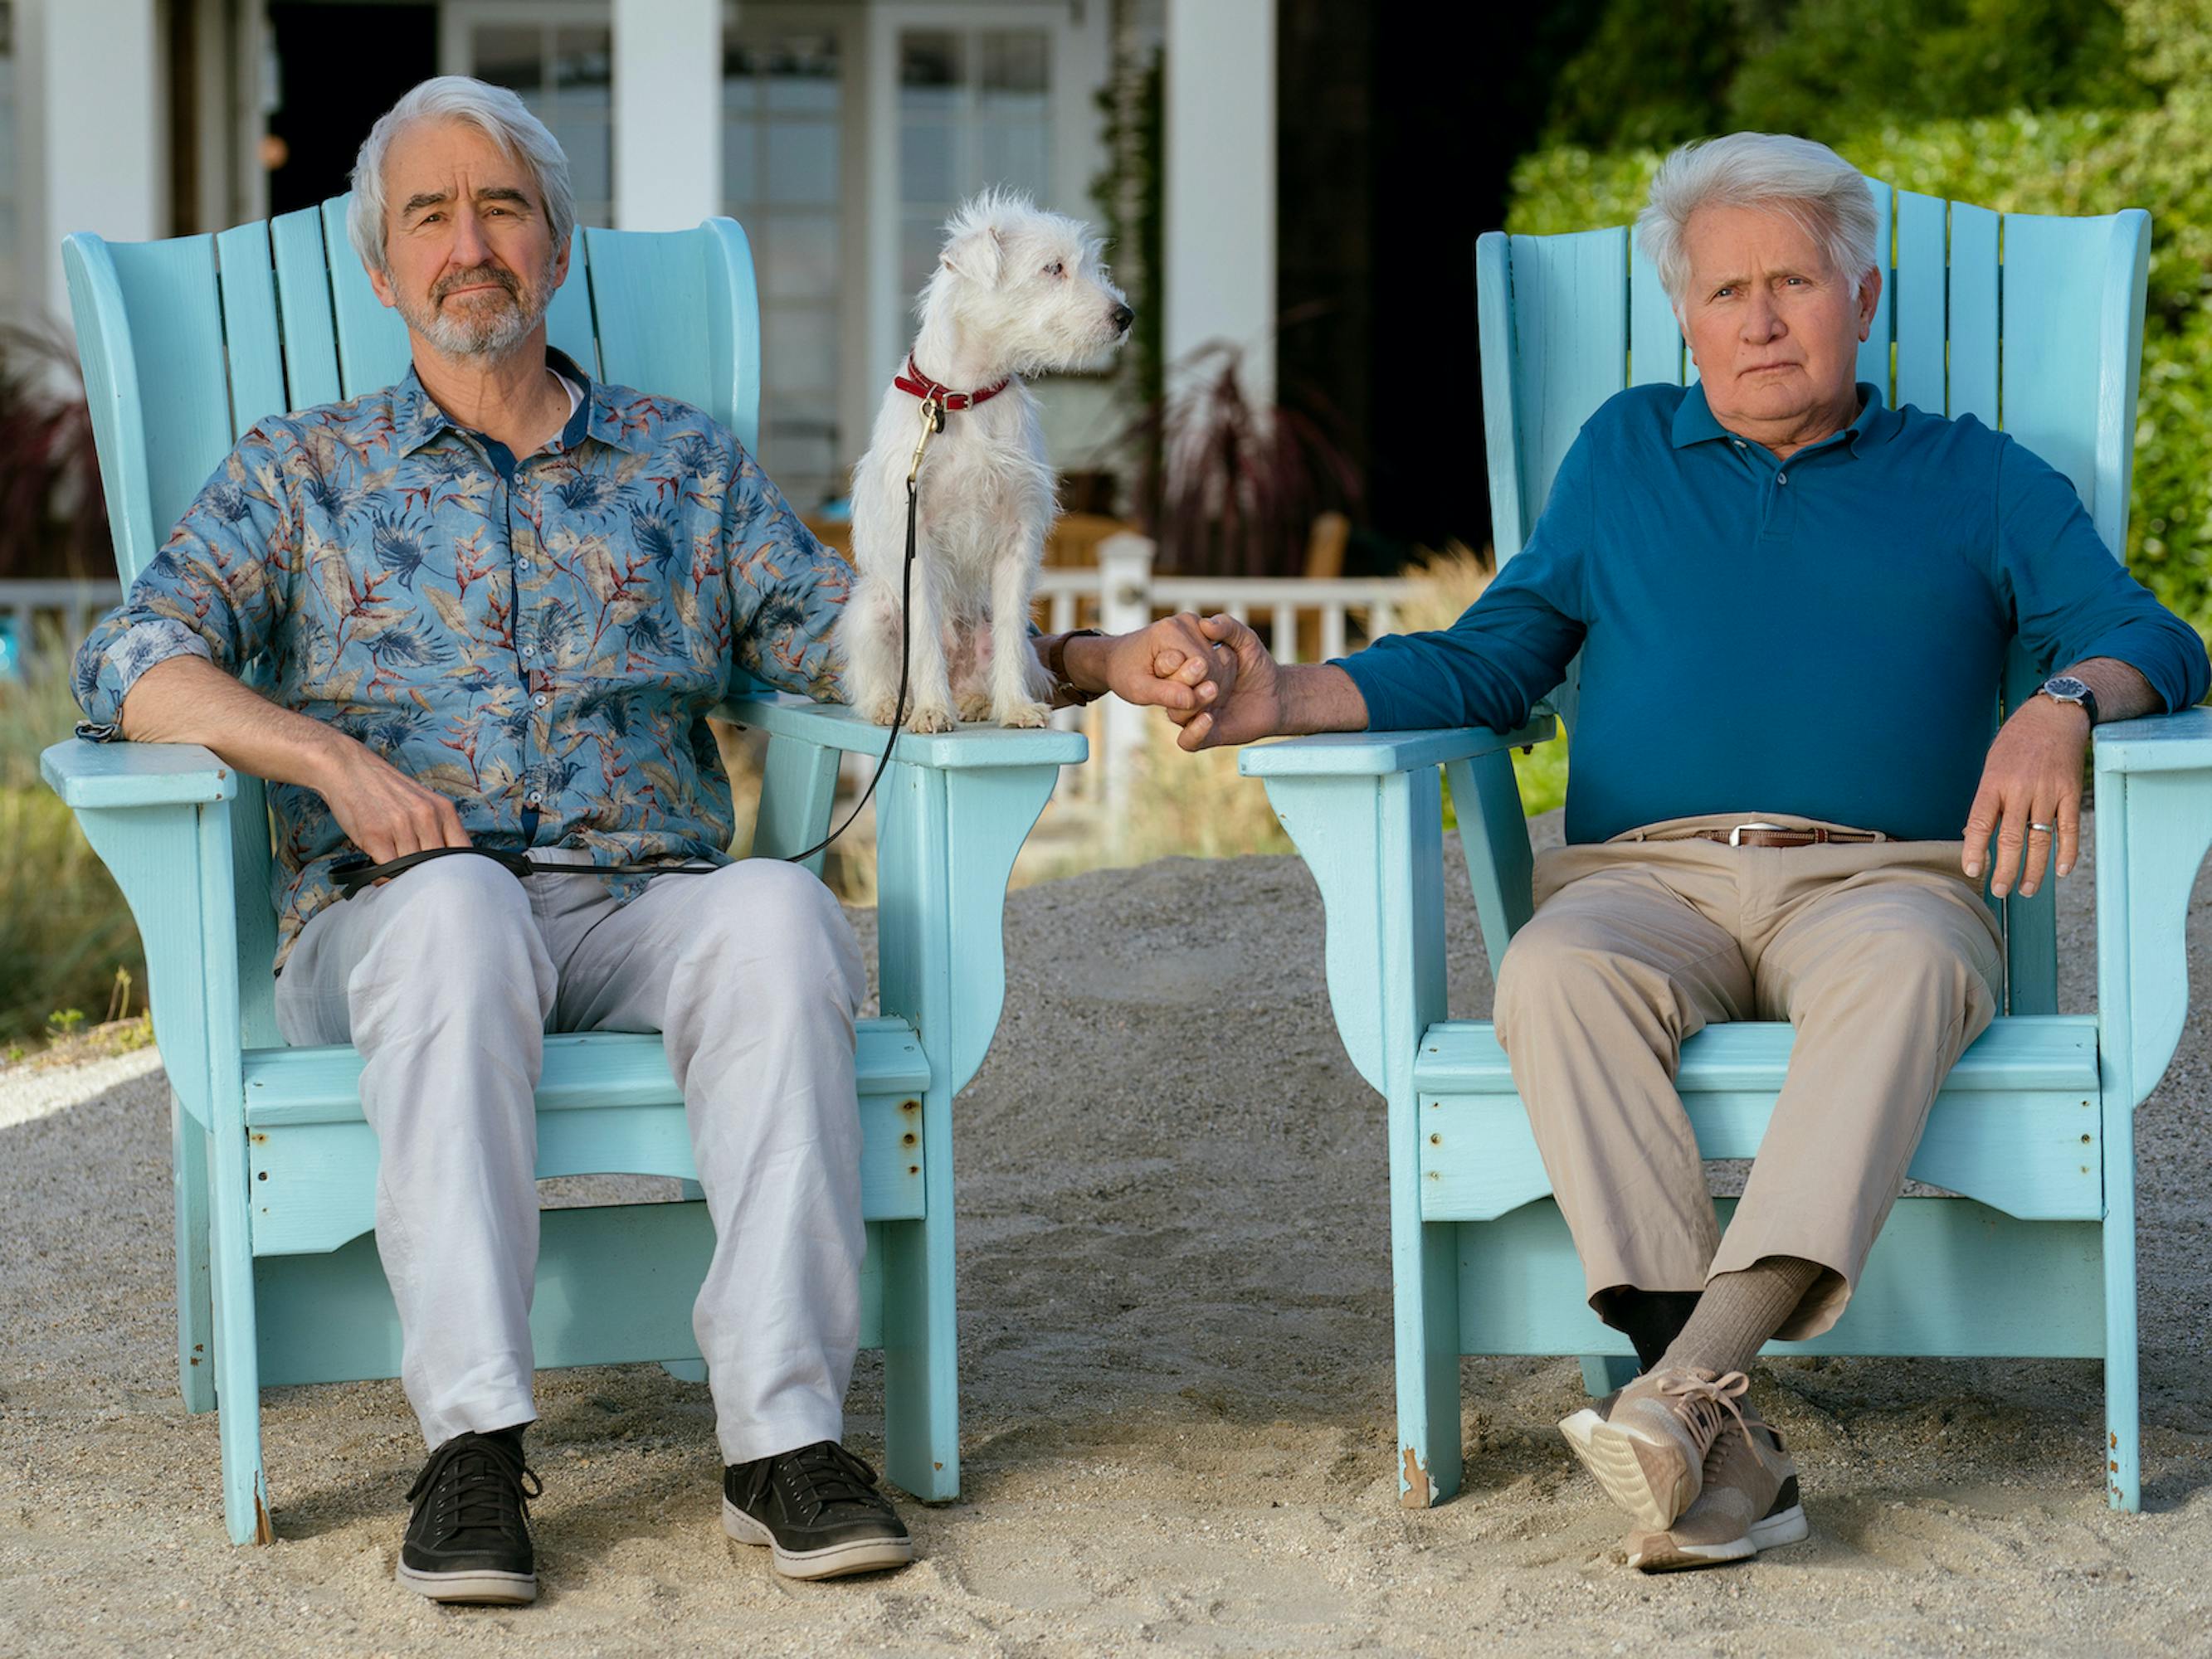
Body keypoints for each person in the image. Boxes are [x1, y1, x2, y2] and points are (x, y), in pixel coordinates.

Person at [70, 75, 1224, 1603]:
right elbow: (129, 653)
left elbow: (851, 638)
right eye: (430, 214)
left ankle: (782, 1439)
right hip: (393, 923)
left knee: (777, 919)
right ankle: (472, 1447)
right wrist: (318, 753)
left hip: (639, 906)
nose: (467, 240)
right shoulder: (305, 472)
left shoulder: (681, 466)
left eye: (501, 208)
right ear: (381, 267)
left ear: (555, 252)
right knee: (459, 909)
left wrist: (1082, 657)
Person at [1151, 131, 2210, 1571]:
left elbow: (2150, 633)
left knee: (1904, 973)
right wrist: (1284, 699)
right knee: (1549, 974)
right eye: (1725, 292)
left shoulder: (1972, 476)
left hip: (1884, 878)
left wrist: (2063, 701)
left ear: (1865, 298)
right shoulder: (1622, 456)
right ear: (1686, 318)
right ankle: (1721, 1442)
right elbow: (1490, 661)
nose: (1759, 319)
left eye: (1792, 283)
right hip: (1642, 882)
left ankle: (1678, 1398)